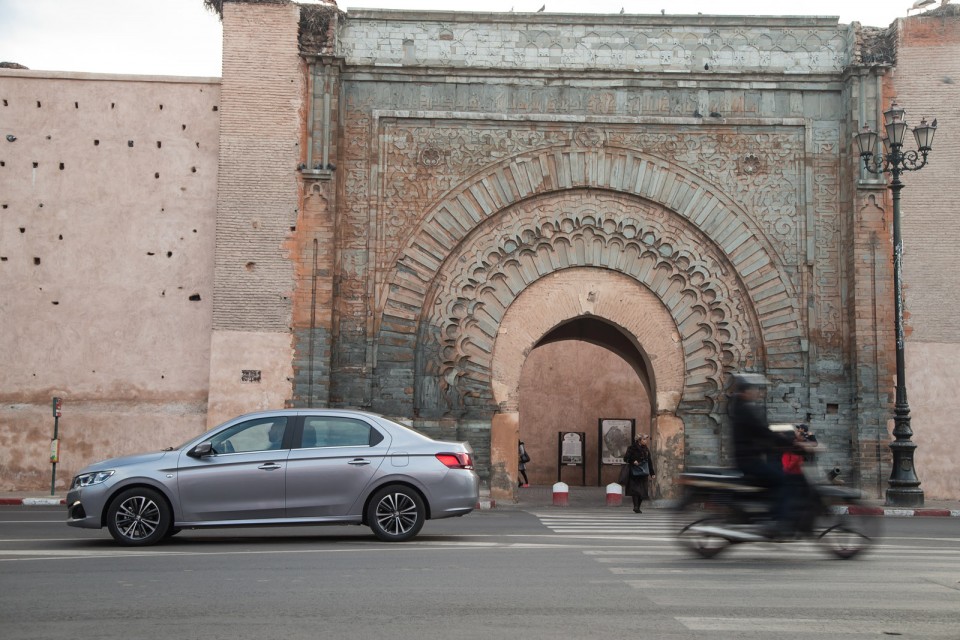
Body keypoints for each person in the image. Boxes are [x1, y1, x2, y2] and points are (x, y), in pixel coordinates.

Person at [728, 373, 788, 532]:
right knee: (781, 480)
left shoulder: (739, 407)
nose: (757, 393)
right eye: (753, 389)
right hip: (749, 460)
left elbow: (759, 433)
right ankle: (776, 522)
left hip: (747, 457)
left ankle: (763, 514)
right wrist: (787, 441)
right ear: (745, 391)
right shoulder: (745, 410)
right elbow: (762, 432)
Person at [623, 434, 656, 513]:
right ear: (639, 440)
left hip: (644, 472)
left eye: (646, 439)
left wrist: (652, 473)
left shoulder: (646, 449)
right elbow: (625, 458)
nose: (645, 441)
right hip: (634, 472)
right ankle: (636, 507)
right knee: (635, 490)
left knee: (643, 492)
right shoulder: (631, 448)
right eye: (644, 439)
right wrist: (633, 461)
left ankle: (638, 506)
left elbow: (649, 462)